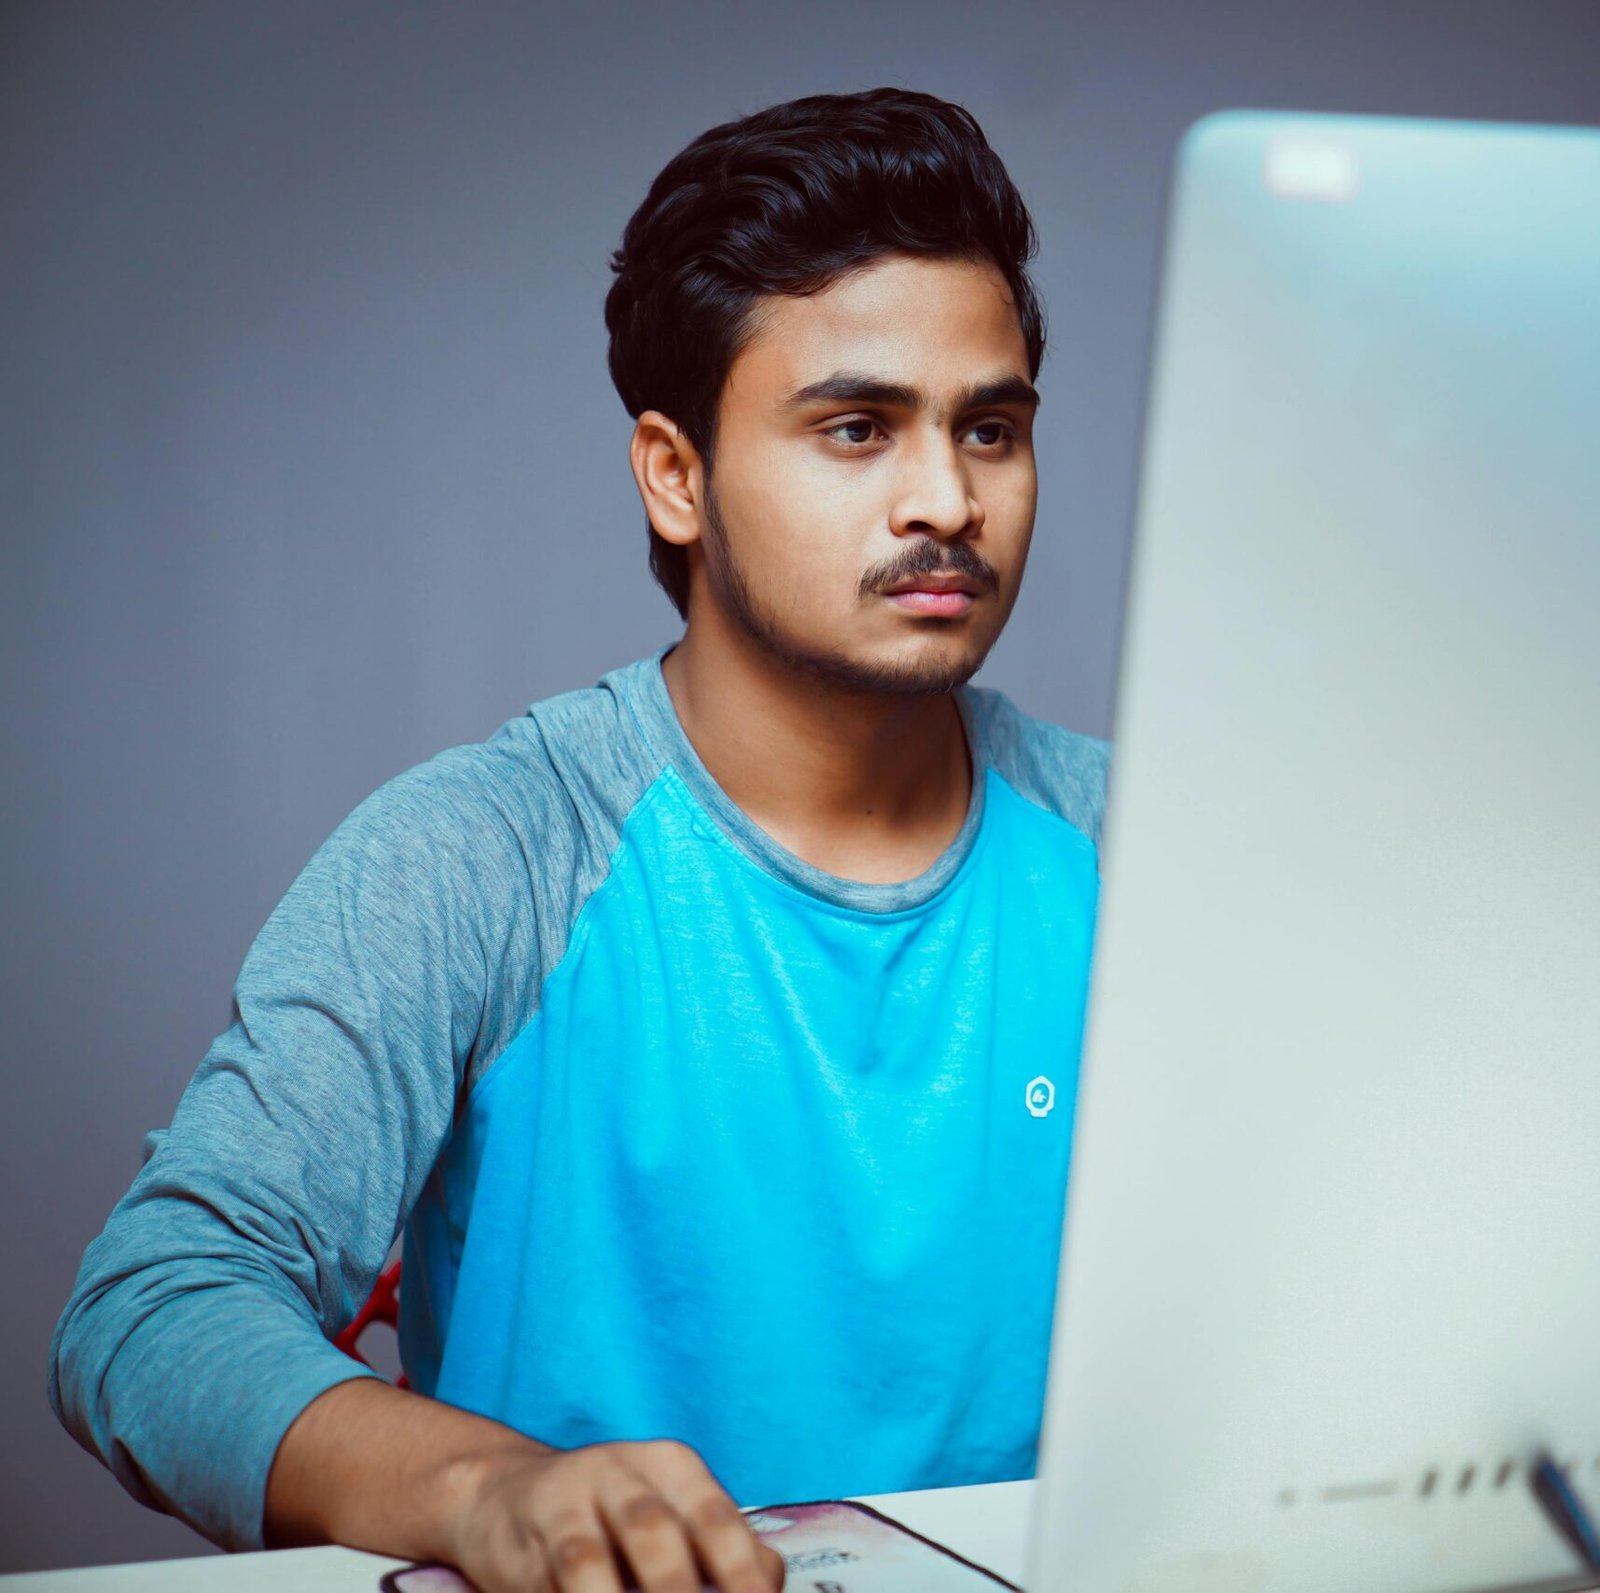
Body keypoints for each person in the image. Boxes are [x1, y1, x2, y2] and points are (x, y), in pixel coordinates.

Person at [49, 87, 1107, 1593]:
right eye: (858, 428)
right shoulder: (482, 852)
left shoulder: (1145, 851)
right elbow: (152, 1308)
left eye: (989, 429)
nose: (948, 498)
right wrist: (483, 1489)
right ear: (675, 476)